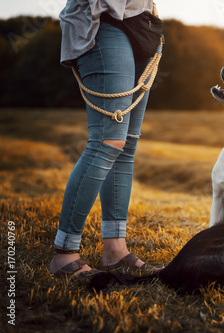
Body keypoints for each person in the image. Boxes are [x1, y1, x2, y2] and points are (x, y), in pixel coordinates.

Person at [50, 0, 162, 278]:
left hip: (142, 22)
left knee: (126, 146)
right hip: (103, 19)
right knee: (108, 142)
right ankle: (65, 255)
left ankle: (115, 250)